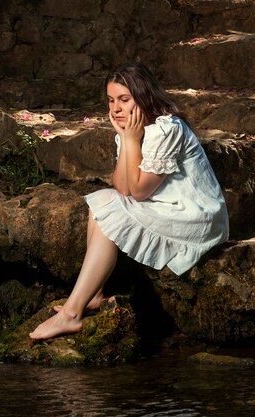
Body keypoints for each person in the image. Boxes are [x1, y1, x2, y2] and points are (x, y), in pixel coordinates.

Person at [29, 63, 229, 340]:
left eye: (124, 99)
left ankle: (71, 314)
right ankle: (94, 293)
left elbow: (138, 192)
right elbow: (121, 187)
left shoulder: (168, 129)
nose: (116, 108)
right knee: (103, 202)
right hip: (164, 205)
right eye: (111, 100)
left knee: (108, 209)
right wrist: (126, 138)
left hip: (196, 216)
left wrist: (131, 140)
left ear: (144, 97)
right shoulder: (131, 131)